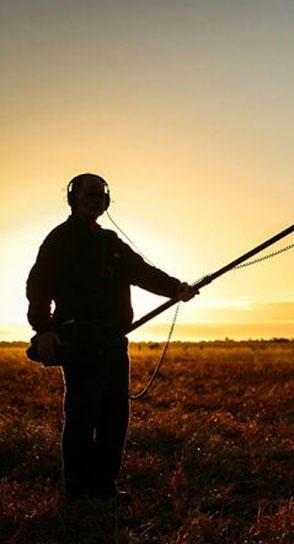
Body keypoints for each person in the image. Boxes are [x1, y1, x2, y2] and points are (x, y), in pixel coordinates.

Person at [26, 173, 197, 501]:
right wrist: (44, 330)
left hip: (114, 340)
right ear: (73, 198)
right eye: (89, 194)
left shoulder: (111, 243)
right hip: (78, 340)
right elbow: (38, 288)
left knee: (114, 416)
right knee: (81, 415)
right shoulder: (60, 240)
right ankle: (77, 492)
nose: (96, 200)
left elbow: (143, 272)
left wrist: (175, 288)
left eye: (102, 195)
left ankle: (104, 487)